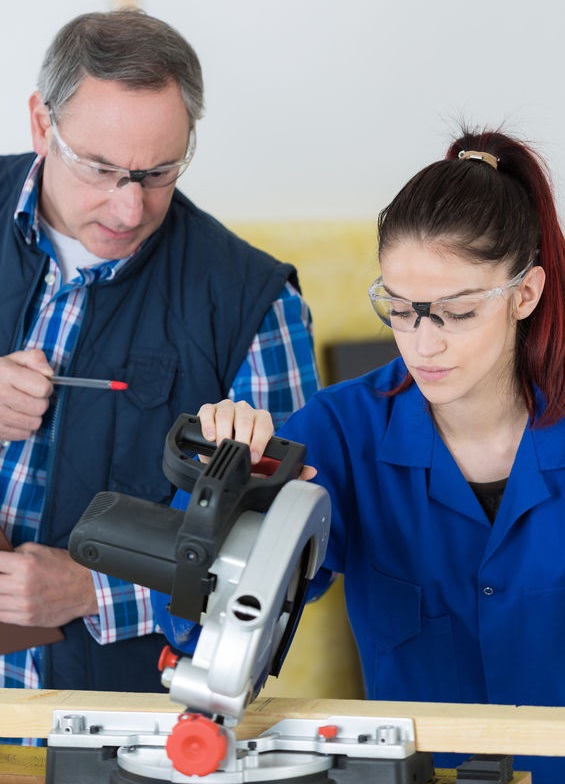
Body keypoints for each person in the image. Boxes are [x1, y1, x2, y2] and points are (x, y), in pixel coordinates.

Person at [164, 128, 565, 783]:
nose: (421, 343)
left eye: (457, 313)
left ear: (524, 294)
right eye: (400, 310)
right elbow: (212, 622)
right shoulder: (341, 430)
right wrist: (224, 485)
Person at [0, 7, 319, 711]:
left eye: (157, 172)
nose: (127, 208)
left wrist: (95, 588)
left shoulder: (252, 304)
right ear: (38, 123)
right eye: (101, 168)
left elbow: (289, 556)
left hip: (121, 726)